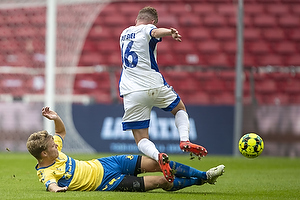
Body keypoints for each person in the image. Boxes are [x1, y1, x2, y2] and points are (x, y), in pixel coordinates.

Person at [26, 107, 225, 192]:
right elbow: (50, 184)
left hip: (106, 163)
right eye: (53, 146)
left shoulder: (54, 149)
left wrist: (55, 117)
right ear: (44, 154)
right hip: (108, 182)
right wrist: (57, 189)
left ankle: (204, 175)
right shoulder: (46, 171)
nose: (57, 145)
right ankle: (201, 181)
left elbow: (61, 131)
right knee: (163, 181)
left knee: (159, 164)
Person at [119, 6, 208, 182]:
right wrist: (170, 32)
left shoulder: (124, 33)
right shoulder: (148, 28)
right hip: (154, 85)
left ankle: (159, 156)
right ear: (152, 21)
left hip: (131, 91)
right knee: (180, 108)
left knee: (141, 139)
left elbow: (149, 32)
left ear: (137, 18)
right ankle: (184, 140)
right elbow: (153, 32)